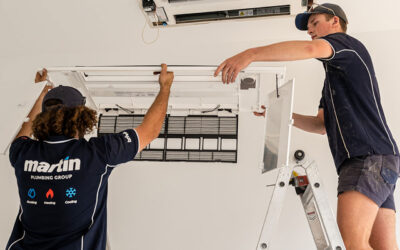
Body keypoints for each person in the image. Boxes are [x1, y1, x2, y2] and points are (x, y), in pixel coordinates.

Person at [215, 3, 399, 250]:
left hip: (364, 158)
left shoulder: (345, 45)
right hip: (382, 160)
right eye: (308, 27)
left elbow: (310, 48)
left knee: (351, 244)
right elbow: (320, 125)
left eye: (315, 23)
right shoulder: (334, 78)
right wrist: (280, 114)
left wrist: (250, 54)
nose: (310, 31)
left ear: (335, 22)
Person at [6, 64, 174, 250]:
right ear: (81, 117)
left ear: (43, 119)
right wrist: (165, 87)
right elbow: (149, 131)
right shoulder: (98, 153)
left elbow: (24, 131)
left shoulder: (23, 153)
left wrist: (42, 96)